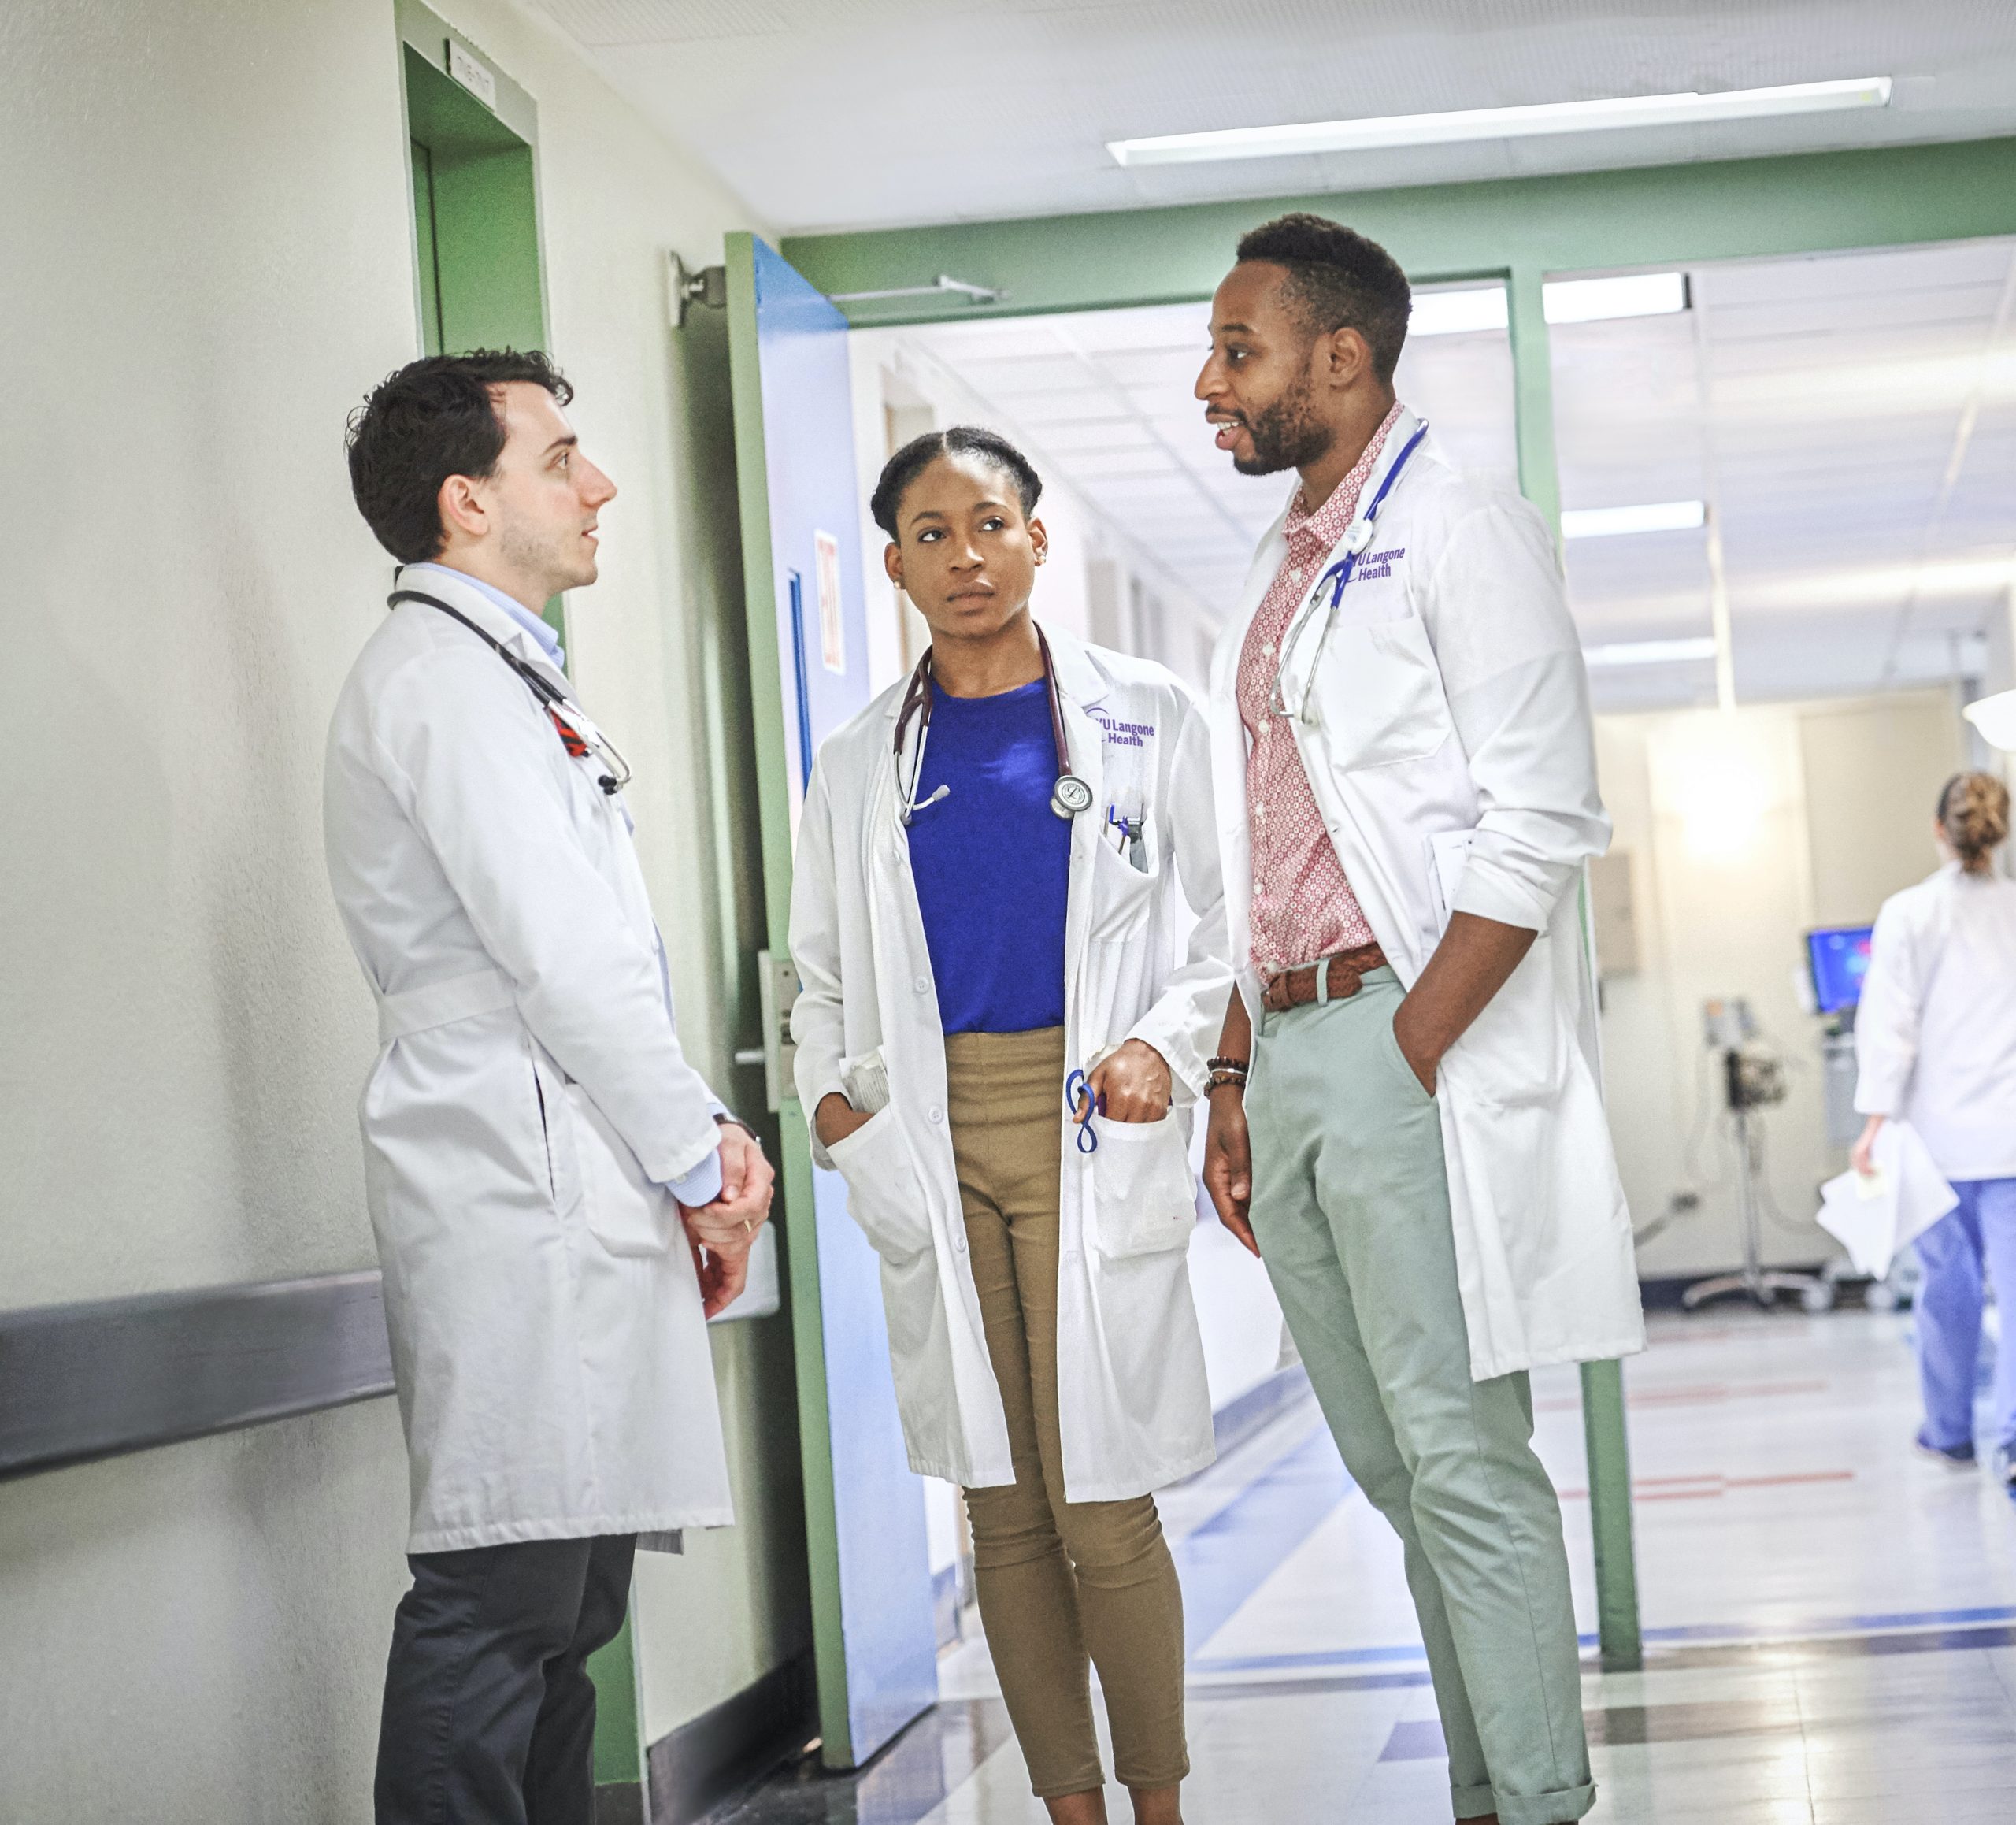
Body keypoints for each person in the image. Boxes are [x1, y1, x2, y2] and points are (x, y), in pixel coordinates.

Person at [1194, 215, 1643, 1825]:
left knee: (1460, 1458)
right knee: (1391, 1473)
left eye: (1235, 351)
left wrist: (1406, 1042)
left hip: (1403, 1034)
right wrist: (1237, 1067)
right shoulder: (1283, 560)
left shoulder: (1461, 526)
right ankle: (1480, 1789)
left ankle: (1533, 1796)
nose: (1208, 382)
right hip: (1295, 1044)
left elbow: (1540, 819)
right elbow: (1261, 840)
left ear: (1340, 356)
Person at [328, 348, 775, 1825]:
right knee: (502, 1594)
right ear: (468, 500)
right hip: (512, 1178)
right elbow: (570, 962)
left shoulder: (502, 678)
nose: (601, 483)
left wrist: (689, 1142)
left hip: (562, 1169)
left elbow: (596, 957)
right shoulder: (443, 684)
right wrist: (705, 1158)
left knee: (565, 1604)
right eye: (561, 457)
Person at [788, 428, 1229, 1825]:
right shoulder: (862, 760)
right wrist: (835, 1106)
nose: (964, 555)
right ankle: (1070, 1810)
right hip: (930, 1128)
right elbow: (815, 974)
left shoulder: (1147, 713)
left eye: (989, 522)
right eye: (930, 532)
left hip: (1086, 1109)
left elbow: (1221, 923)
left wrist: (1170, 1042)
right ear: (896, 563)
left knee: (1102, 1500)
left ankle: (1157, 1805)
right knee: (1004, 1509)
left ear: (1040, 538)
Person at [1851, 770, 2016, 1482]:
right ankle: (2014, 1439)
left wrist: (1872, 1124)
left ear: (1938, 829)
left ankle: (1949, 1432)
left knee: (1946, 1292)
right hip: (2011, 1142)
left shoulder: (1909, 913)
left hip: (1938, 1143)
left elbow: (1891, 1028)